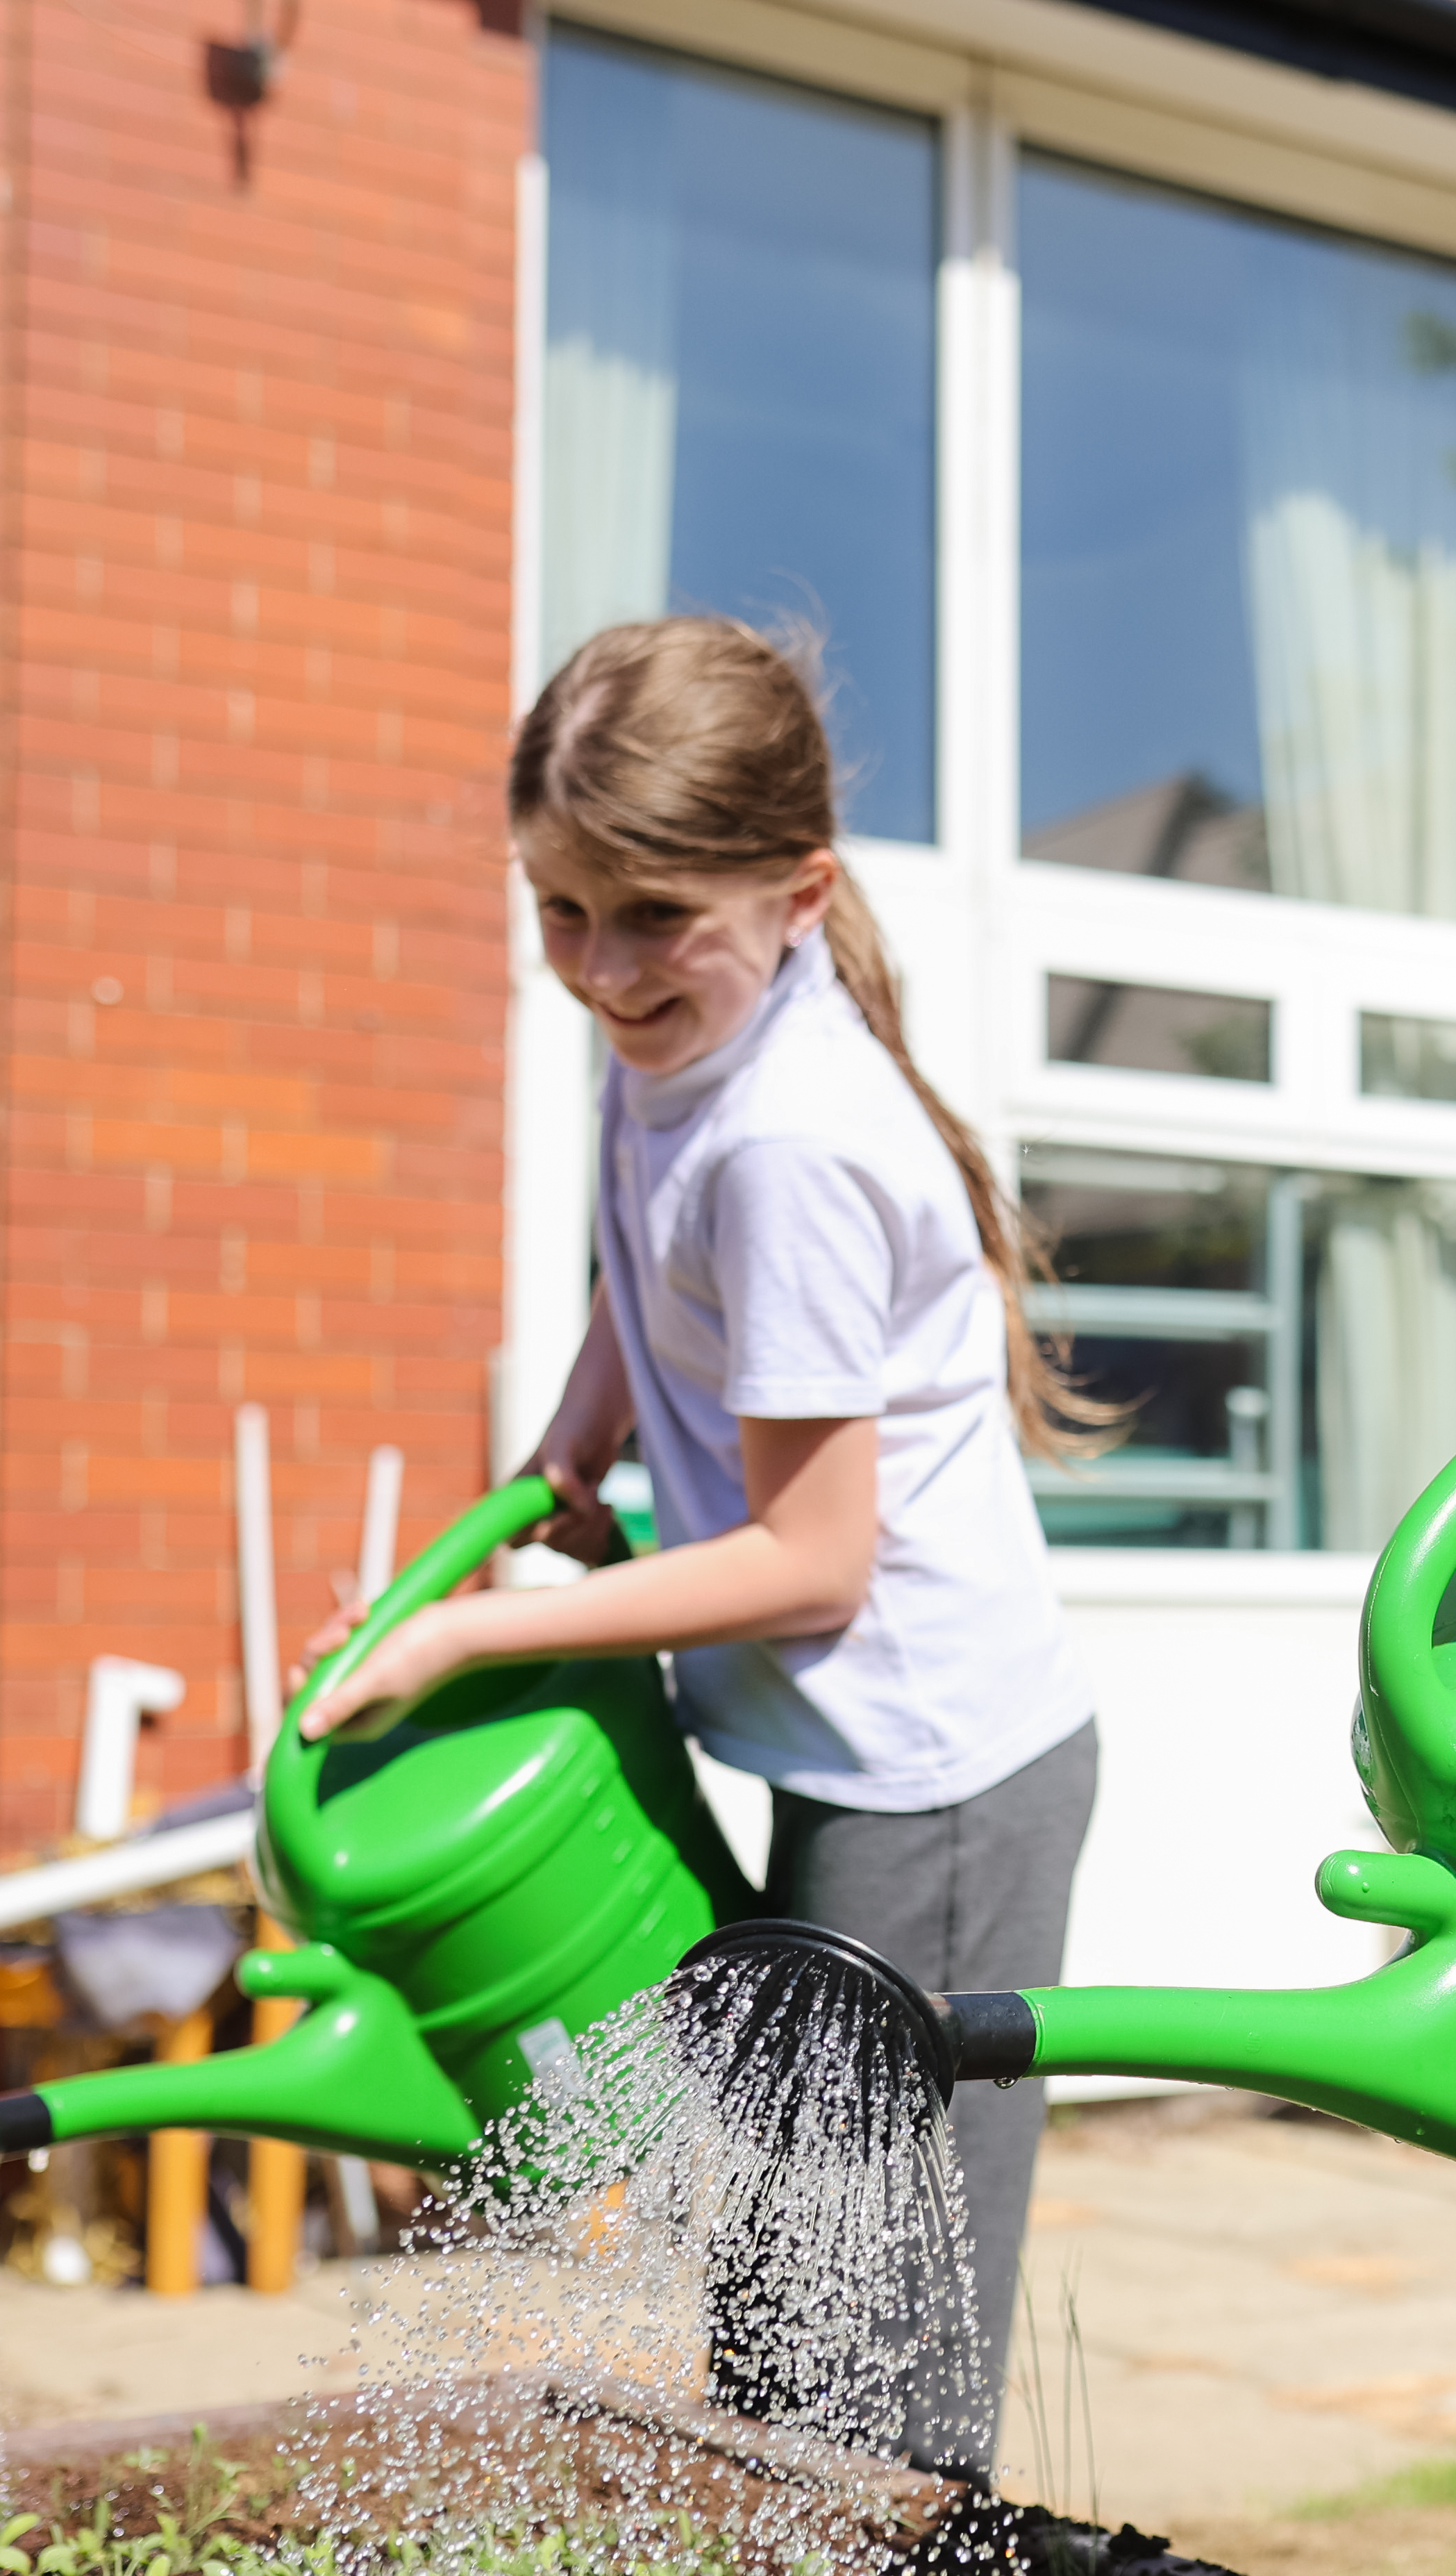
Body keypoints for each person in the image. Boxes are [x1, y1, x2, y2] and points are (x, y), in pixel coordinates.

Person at [296, 615, 1103, 2461]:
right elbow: (631, 1274)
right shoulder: (679, 1046)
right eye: (558, 908)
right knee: (780, 2295)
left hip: (937, 1783)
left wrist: (475, 1634)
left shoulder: (795, 1141)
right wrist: (566, 1457)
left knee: (873, 2348)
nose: (597, 967)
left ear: (800, 890)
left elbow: (816, 1561)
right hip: (829, 1745)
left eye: (649, 914)